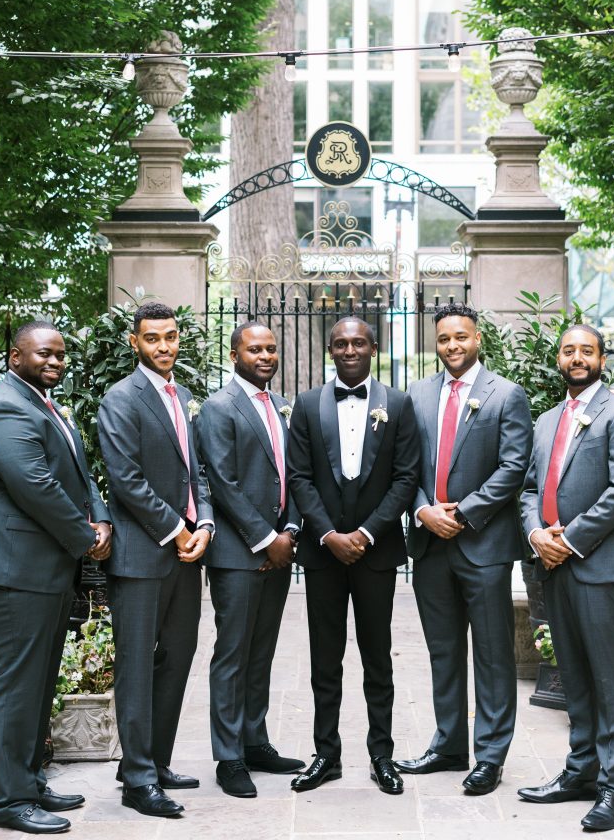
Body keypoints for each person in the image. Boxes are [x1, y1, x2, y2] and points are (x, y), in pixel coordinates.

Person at [0, 321, 111, 835]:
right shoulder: (5, 408)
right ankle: (11, 801)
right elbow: (36, 486)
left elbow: (78, 473)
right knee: (17, 683)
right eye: (44, 353)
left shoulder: (43, 403)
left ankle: (30, 778)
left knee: (40, 680)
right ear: (14, 357)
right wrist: (85, 538)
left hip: (38, 567)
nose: (56, 362)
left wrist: (100, 515)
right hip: (9, 567)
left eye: (61, 354)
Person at [518, 325, 614, 833]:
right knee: (571, 672)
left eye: (586, 351)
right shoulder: (548, 419)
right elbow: (529, 489)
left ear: (601, 358)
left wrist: (566, 540)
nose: (577, 358)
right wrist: (536, 537)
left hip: (598, 565)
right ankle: (580, 772)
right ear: (559, 358)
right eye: (569, 350)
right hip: (551, 563)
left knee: (606, 675)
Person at [396, 303, 532, 796]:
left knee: (494, 655)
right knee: (443, 650)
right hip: (430, 543)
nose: (453, 346)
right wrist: (422, 509)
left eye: (461, 337)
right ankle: (449, 745)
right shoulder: (418, 394)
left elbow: (513, 468)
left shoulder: (506, 395)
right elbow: (403, 465)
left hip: (483, 545)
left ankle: (490, 756)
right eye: (445, 339)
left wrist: (463, 512)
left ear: (478, 339)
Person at [286, 316, 419, 796]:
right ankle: (327, 754)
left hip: (376, 552)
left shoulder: (398, 405)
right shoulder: (305, 405)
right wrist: (327, 535)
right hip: (323, 555)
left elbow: (406, 478)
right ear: (330, 349)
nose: (349, 350)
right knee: (325, 658)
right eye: (340, 343)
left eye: (357, 342)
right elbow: (298, 477)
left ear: (374, 348)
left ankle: (381, 756)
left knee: (377, 657)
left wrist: (364, 533)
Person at [97, 301, 213, 819]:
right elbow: (126, 480)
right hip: (142, 556)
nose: (163, 346)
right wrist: (177, 529)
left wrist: (205, 523)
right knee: (138, 665)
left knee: (178, 657)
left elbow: (198, 473)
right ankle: (138, 780)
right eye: (152, 338)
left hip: (187, 557)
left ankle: (155, 762)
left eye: (170, 337)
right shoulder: (120, 399)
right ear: (134, 342)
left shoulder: (185, 396)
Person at [194, 321, 305, 798]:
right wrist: (264, 539)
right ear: (235, 354)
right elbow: (222, 482)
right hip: (239, 555)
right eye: (254, 349)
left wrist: (292, 530)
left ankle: (255, 741)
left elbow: (296, 474)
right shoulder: (219, 408)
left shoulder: (282, 406)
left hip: (279, 549)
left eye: (271, 349)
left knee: (261, 653)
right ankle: (229, 756)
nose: (264, 356)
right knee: (233, 655)